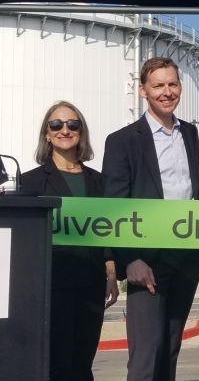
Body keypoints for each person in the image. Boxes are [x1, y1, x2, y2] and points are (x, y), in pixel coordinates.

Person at [102, 57, 199, 381]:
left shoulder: (190, 133)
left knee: (170, 351)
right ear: (143, 90)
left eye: (172, 84)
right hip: (145, 261)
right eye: (159, 85)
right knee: (145, 357)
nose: (167, 92)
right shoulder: (122, 141)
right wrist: (129, 259)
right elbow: (114, 207)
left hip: (185, 258)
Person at [21, 101, 118, 381]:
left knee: (82, 361)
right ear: (46, 134)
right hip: (51, 286)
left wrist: (111, 270)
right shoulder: (31, 183)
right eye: (57, 125)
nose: (65, 130)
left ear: (81, 132)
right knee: (57, 363)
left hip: (90, 285)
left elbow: (109, 230)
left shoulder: (100, 182)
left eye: (72, 124)